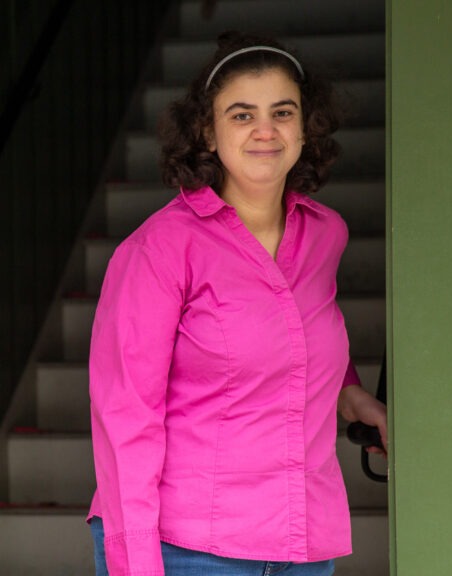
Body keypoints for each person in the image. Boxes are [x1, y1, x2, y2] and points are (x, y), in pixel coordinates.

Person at [87, 32, 387, 576]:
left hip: (303, 548)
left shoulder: (325, 235)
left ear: (305, 127)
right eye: (242, 115)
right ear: (208, 130)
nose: (265, 131)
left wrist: (351, 397)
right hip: (188, 550)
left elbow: (296, 334)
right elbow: (124, 419)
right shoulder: (159, 250)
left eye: (283, 112)